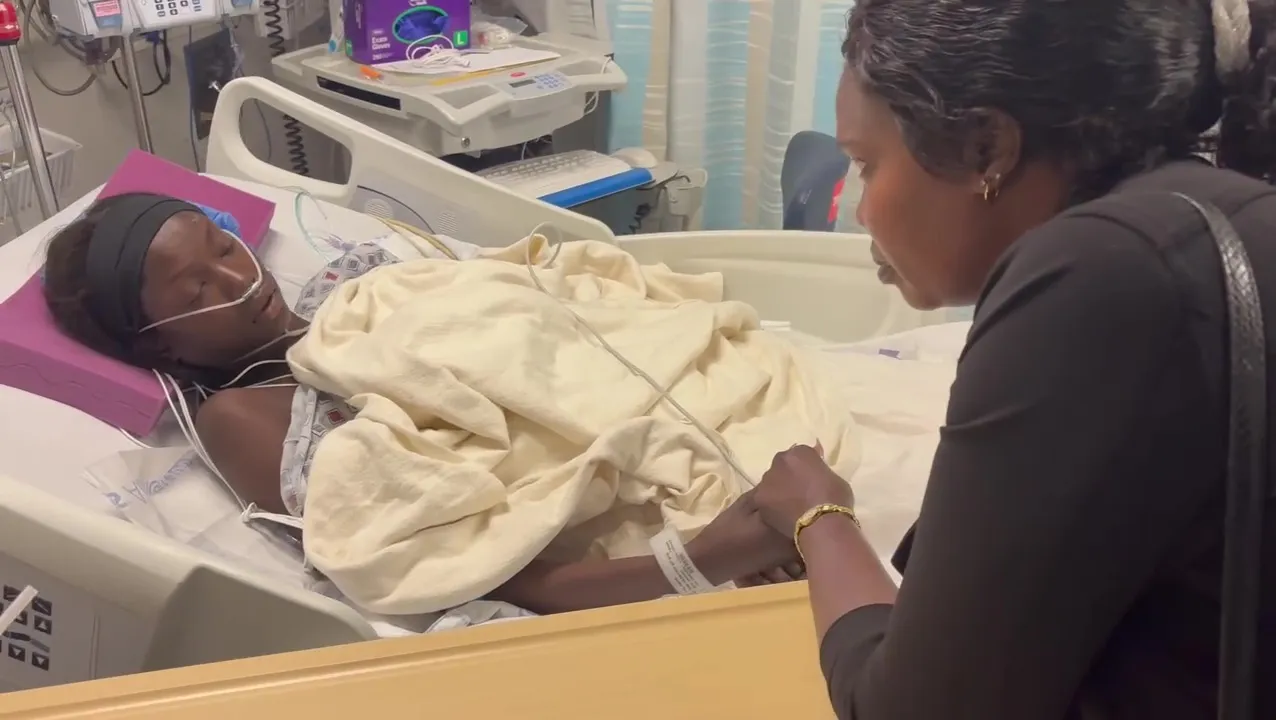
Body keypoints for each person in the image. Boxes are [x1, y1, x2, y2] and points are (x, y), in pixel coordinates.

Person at [748, 0, 1276, 718]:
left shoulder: (1103, 273)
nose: (859, 211)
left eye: (867, 165)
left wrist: (820, 517)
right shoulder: (1210, 220)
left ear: (986, 148)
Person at [41, 192, 805, 614]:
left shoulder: (358, 279)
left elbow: (539, 315)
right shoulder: (242, 416)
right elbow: (463, 567)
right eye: (196, 291)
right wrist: (701, 558)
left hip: (685, 389)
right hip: (641, 509)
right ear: (161, 347)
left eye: (222, 246)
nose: (241, 278)